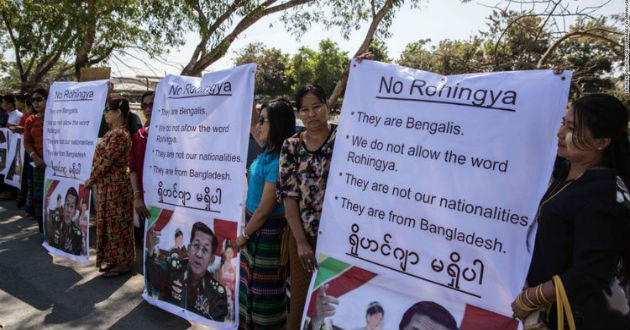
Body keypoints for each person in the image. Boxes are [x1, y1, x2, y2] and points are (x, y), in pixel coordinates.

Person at [511, 94, 630, 329]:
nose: (559, 133)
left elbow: (591, 273)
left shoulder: (602, 194)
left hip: (579, 318)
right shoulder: (568, 169)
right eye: (563, 122)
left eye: (571, 128)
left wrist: (533, 297)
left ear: (601, 142)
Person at [277, 84, 337, 329]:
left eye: (317, 107)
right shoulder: (291, 146)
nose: (312, 114)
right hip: (303, 239)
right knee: (300, 304)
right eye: (305, 109)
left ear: (327, 106)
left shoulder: (345, 140)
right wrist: (301, 242)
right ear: (298, 113)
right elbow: (289, 196)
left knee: (336, 304)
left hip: (338, 240)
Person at [238, 99, 296, 330]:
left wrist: (244, 235)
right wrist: (248, 89)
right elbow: (253, 123)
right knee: (248, 287)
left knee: (264, 292)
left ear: (279, 124)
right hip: (254, 229)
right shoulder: (266, 150)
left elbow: (264, 209)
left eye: (264, 120)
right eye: (259, 119)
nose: (258, 125)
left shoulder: (280, 160)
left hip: (266, 233)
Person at [85, 96, 135, 278]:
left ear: (118, 112)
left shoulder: (120, 135)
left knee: (118, 225)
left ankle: (123, 263)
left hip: (117, 187)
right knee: (107, 223)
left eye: (108, 110)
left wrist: (90, 180)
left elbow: (106, 161)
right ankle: (113, 259)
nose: (105, 114)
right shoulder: (112, 132)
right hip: (107, 186)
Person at [145, 221, 229, 321]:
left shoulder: (216, 293)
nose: (199, 254)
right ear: (189, 249)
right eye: (196, 246)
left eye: (205, 250)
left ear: (211, 260)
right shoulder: (174, 269)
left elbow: (216, 325)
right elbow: (155, 279)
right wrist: (151, 248)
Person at [129, 91, 153, 242]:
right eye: (144, 106)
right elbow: (133, 169)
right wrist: (137, 197)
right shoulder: (139, 136)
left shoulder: (175, 135)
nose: (148, 109)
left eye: (152, 105)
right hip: (145, 203)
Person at [24, 88, 47, 233]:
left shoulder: (57, 117)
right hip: (39, 165)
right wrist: (35, 157)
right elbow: (27, 143)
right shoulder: (30, 120)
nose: (36, 103)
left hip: (57, 165)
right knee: (39, 197)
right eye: (33, 100)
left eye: (39, 99)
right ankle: (42, 228)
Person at [46, 187, 83, 255]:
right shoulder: (55, 220)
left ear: (74, 211)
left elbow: (78, 253)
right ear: (64, 205)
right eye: (67, 204)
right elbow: (48, 237)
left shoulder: (77, 233)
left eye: (72, 206)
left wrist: (71, 249)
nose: (68, 210)